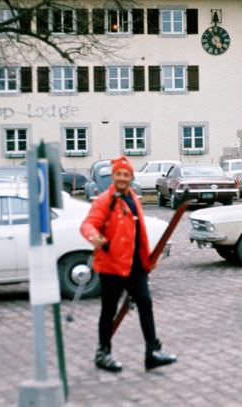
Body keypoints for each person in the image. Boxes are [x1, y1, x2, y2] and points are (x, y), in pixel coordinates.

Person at [80, 156, 176, 373]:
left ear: (131, 178)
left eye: (126, 175)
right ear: (113, 176)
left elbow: (139, 233)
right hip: (111, 266)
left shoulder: (133, 197)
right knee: (109, 310)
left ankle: (152, 352)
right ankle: (103, 352)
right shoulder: (105, 200)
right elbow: (88, 224)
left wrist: (147, 261)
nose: (122, 178)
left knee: (145, 304)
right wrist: (94, 236)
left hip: (134, 266)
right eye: (118, 174)